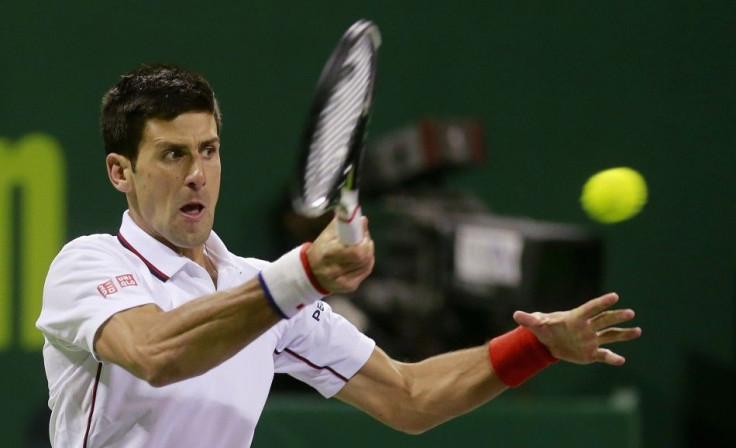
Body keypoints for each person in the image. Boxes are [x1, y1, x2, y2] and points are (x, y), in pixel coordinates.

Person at [36, 64, 642, 448]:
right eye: (173, 155)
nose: (198, 174)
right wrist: (301, 275)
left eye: (210, 150)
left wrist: (536, 347)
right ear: (121, 171)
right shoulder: (88, 265)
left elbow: (408, 397)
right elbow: (156, 353)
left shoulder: (255, 286)